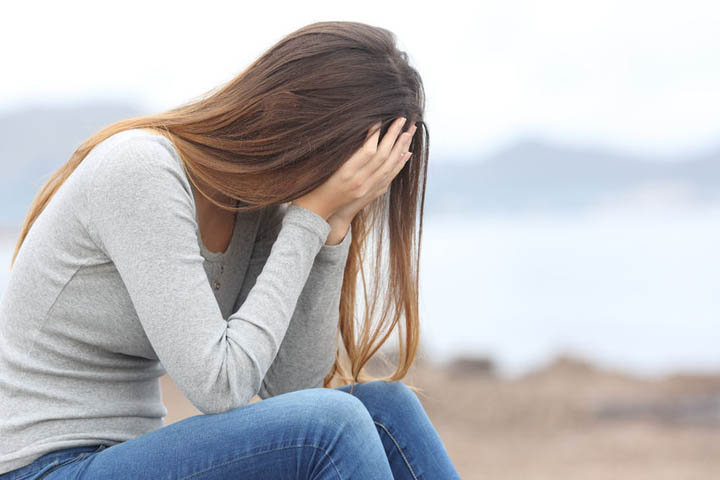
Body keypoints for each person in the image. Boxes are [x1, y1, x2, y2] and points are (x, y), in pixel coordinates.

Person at [0, 20, 461, 479]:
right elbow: (219, 387)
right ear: (293, 117)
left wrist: (334, 226)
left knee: (385, 408)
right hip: (42, 467)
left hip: (122, 455)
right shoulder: (142, 170)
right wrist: (309, 220)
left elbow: (293, 387)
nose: (344, 186)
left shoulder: (254, 207)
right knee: (332, 426)